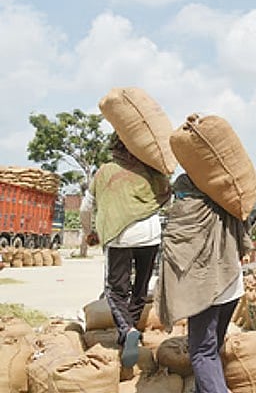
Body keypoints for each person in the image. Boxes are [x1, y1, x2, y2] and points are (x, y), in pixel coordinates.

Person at [79, 133, 171, 367]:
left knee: (115, 290)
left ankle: (127, 329)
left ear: (115, 148)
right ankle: (127, 333)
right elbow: (167, 198)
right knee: (140, 287)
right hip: (150, 235)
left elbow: (85, 207)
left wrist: (89, 231)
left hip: (120, 236)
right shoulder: (150, 171)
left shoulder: (105, 171)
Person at [155, 174, 251, 393]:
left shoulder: (186, 211)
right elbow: (244, 238)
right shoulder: (225, 206)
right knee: (211, 348)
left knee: (200, 353)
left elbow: (176, 254)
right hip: (232, 286)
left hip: (205, 294)